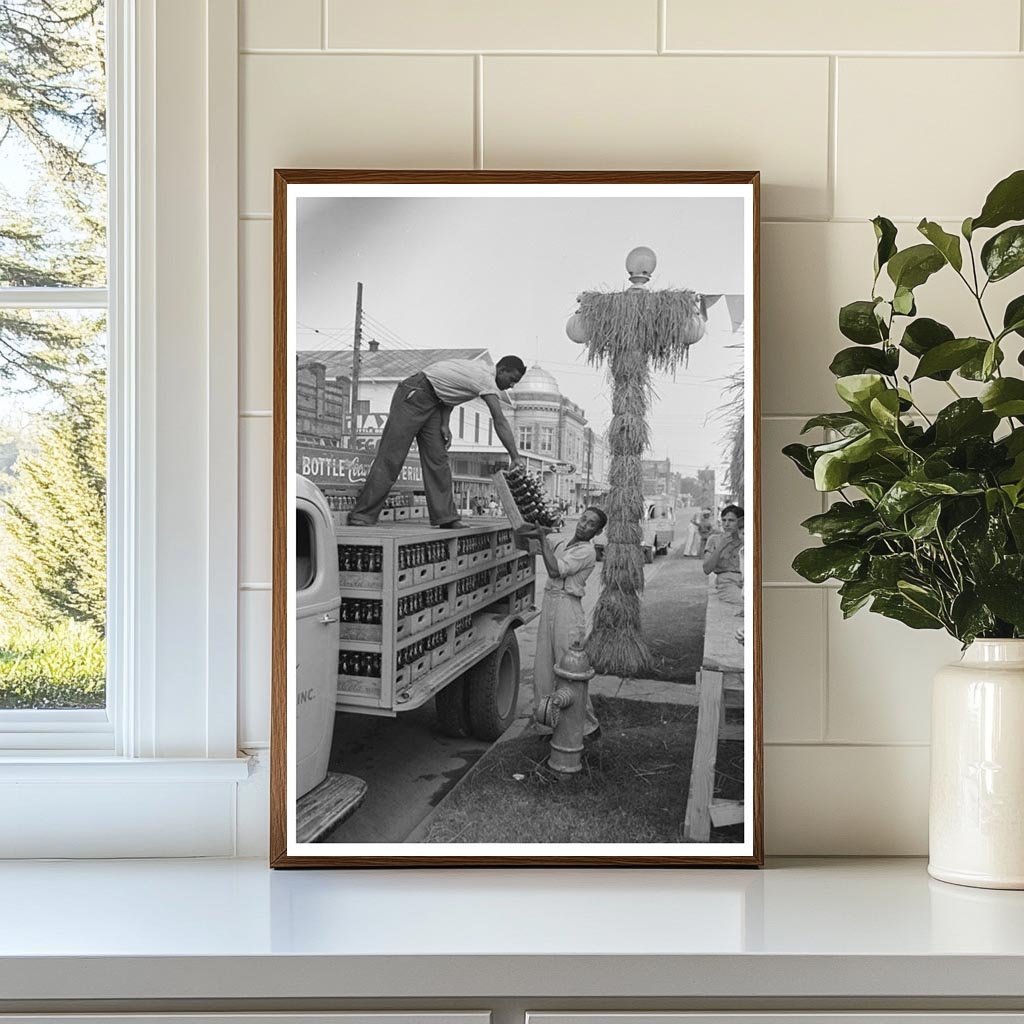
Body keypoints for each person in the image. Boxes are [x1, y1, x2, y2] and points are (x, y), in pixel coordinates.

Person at [347, 356, 526, 528]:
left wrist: (445, 423)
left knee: (438, 459)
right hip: (415, 392)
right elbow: (499, 420)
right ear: (502, 369)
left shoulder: (480, 373)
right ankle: (362, 515)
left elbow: (452, 391)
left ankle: (446, 516)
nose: (511, 386)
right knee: (392, 456)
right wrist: (515, 457)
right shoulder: (485, 379)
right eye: (512, 379)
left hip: (434, 402)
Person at [527, 506, 607, 739]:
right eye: (583, 519)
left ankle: (588, 727)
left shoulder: (587, 551)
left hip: (567, 608)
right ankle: (546, 722)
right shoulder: (562, 543)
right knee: (543, 667)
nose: (584, 524)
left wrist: (542, 537)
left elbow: (554, 570)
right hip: (550, 602)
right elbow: (531, 547)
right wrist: (529, 528)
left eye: (591, 523)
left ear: (598, 531)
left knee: (568, 668)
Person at [703, 504, 744, 604]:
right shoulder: (714, 540)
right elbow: (707, 569)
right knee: (746, 602)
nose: (726, 524)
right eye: (724, 520)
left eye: (731, 520)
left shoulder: (746, 540)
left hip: (747, 581)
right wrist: (721, 546)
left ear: (740, 522)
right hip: (726, 582)